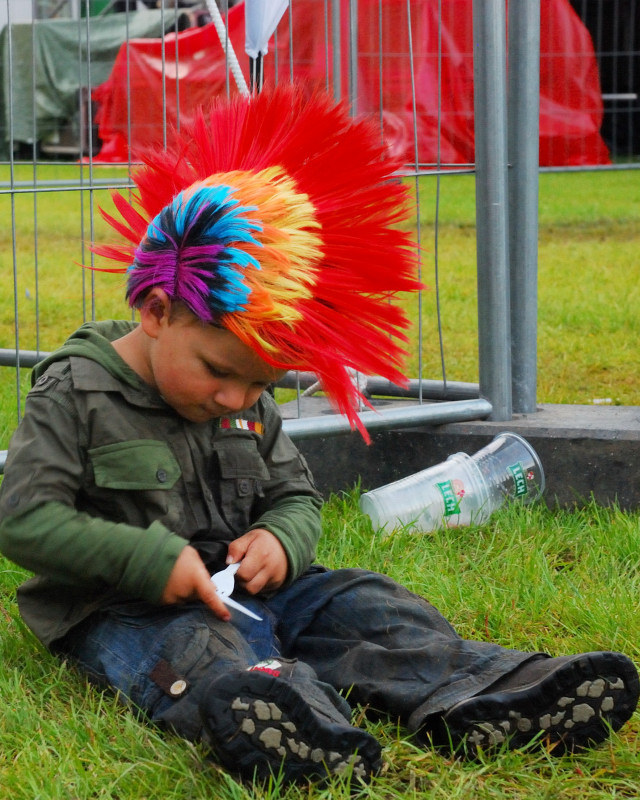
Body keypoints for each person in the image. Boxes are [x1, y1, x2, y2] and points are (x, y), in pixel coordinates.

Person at [0, 86, 637, 786]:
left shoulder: (242, 397)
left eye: (262, 385)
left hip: (257, 590)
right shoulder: (76, 392)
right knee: (201, 653)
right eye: (220, 372)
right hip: (126, 607)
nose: (238, 398)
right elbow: (25, 520)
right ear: (157, 310)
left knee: (363, 604)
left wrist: (281, 539)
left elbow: (296, 495)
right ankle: (297, 728)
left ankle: (483, 688)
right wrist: (146, 561)